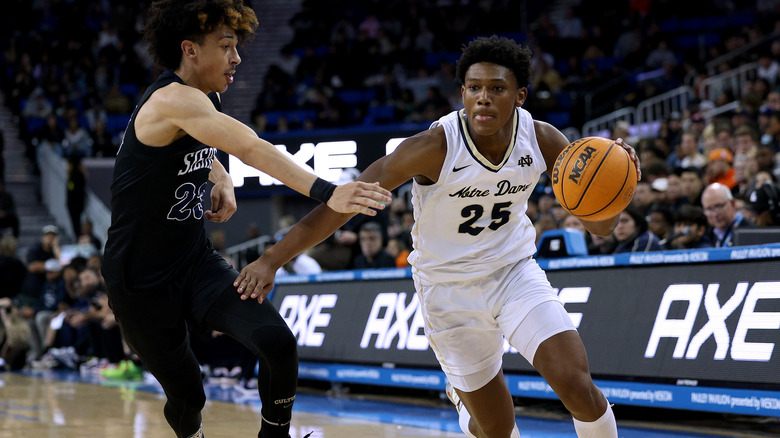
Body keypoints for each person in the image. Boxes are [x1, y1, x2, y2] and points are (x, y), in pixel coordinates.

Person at [236, 36, 639, 438]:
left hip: (513, 273)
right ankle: (466, 405)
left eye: (497, 89)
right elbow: (342, 204)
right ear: (462, 93)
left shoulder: (544, 139)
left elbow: (600, 226)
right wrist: (272, 259)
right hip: (447, 290)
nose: (483, 98)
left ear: (519, 96)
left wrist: (618, 186)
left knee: (576, 386)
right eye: (474, 88)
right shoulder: (432, 148)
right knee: (497, 429)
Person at [99, 2, 391, 438]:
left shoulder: (204, 99)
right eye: (226, 46)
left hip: (192, 261)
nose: (237, 58)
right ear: (190, 50)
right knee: (188, 395)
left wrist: (221, 176)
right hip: (138, 279)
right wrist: (330, 193)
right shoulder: (172, 98)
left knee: (276, 342)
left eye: (237, 46)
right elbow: (250, 147)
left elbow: (206, 140)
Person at [701, 182, 755, 247]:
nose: (714, 214)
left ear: (732, 203)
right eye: (709, 209)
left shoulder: (749, 232)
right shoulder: (710, 234)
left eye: (718, 206)